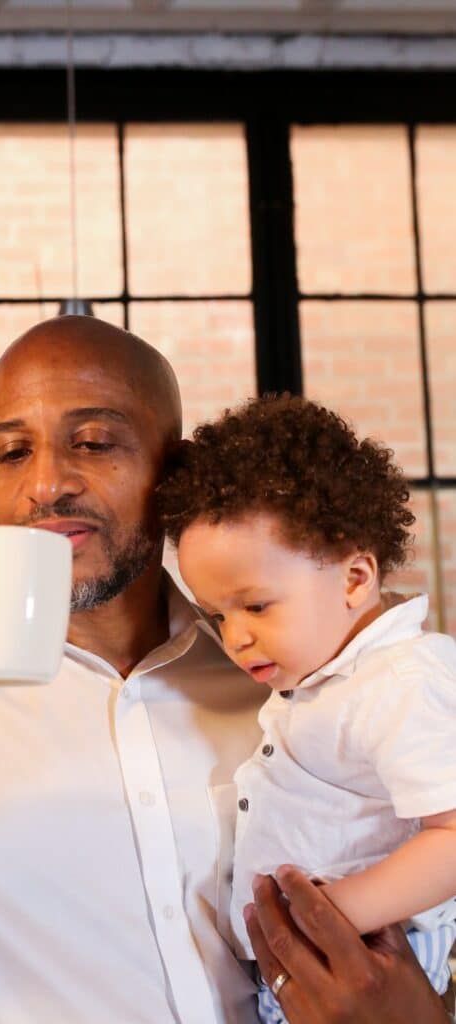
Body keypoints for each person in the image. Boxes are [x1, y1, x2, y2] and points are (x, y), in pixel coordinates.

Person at [0, 318, 450, 1024]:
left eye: (93, 442)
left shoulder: (303, 683)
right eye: (9, 452)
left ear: (174, 472)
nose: (44, 485)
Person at [156, 392, 456, 1024]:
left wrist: (335, 917)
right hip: (307, 961)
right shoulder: (324, 679)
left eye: (256, 606)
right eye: (217, 614)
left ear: (354, 579)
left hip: (364, 960)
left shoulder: (400, 679)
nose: (233, 636)